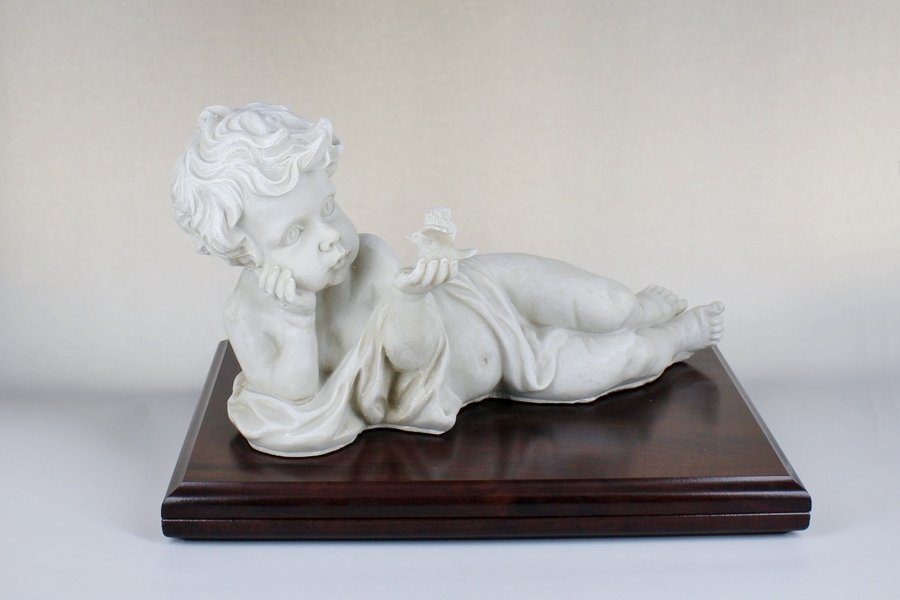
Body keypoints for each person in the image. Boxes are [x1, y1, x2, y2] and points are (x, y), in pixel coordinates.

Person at [172, 103, 724, 457]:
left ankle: (643, 309)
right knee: (624, 356)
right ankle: (680, 335)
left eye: (330, 208)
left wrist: (416, 291)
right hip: (515, 365)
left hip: (479, 289)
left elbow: (410, 343)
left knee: (609, 304)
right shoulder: (248, 316)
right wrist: (299, 323)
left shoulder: (369, 257)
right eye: (295, 233)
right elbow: (299, 396)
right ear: (246, 251)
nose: (331, 238)